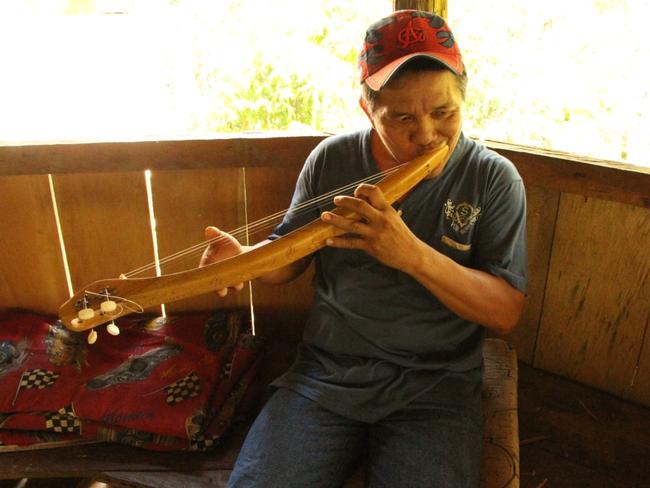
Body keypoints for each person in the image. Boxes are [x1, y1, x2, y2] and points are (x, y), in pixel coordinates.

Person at [201, 9, 528, 488]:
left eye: (444, 113)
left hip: (435, 389)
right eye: (401, 118)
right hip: (325, 377)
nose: (427, 135)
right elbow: (288, 260)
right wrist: (246, 261)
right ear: (367, 110)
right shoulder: (332, 160)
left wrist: (411, 255)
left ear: (464, 99)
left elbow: (505, 312)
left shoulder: (494, 180)